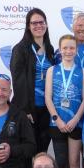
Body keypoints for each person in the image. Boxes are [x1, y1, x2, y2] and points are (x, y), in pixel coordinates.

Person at [45, 34, 84, 168]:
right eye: (65, 48)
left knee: (74, 162)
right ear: (60, 49)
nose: (68, 51)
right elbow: (48, 97)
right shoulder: (52, 70)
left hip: (75, 123)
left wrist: (76, 119)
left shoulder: (82, 72)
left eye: (72, 48)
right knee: (61, 164)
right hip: (57, 123)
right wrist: (57, 119)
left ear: (76, 50)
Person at [9, 8, 59, 155]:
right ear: (28, 26)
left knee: (42, 150)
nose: (38, 26)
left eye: (41, 22)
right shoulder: (20, 49)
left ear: (46, 24)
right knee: (28, 151)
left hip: (47, 108)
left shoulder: (50, 49)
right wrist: (25, 109)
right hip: (29, 109)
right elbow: (18, 81)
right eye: (34, 23)